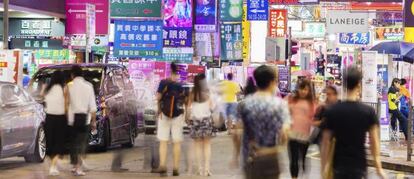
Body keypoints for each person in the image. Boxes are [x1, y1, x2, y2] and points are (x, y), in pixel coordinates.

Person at [321, 67, 386, 179]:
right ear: (359, 85)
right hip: (359, 167)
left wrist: (324, 168)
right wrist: (378, 167)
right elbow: (374, 142)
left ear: (344, 85)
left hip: (339, 167)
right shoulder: (368, 112)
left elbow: (325, 142)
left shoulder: (332, 111)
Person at [239, 65, 290, 179]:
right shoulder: (280, 105)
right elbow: (284, 134)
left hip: (251, 158)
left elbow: (238, 131)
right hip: (270, 157)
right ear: (272, 82)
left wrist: (234, 155)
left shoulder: (244, 104)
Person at [155, 62, 187, 177]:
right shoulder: (180, 86)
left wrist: (158, 108)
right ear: (178, 73)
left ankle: (163, 165)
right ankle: (176, 168)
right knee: (176, 142)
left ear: (169, 70)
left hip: (164, 114)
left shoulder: (163, 83)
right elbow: (184, 100)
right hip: (177, 115)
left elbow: (158, 97)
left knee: (163, 141)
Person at [66, 65, 97, 176]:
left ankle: (75, 166)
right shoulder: (88, 86)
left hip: (71, 119)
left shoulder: (69, 86)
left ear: (72, 74)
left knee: (73, 144)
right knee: (81, 143)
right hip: (84, 118)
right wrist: (94, 122)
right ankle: (78, 167)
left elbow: (67, 103)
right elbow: (92, 106)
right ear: (82, 74)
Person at [286, 79, 317, 179]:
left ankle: (303, 176)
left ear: (309, 91)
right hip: (292, 134)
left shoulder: (312, 103)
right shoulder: (291, 99)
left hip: (305, 136)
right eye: (301, 89)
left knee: (303, 160)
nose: (303, 91)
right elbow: (283, 110)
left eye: (306, 90)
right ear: (298, 89)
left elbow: (315, 117)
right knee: (293, 160)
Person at [187, 74, 215, 176]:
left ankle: (199, 169)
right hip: (206, 120)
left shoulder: (192, 93)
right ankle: (207, 170)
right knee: (207, 145)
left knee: (198, 146)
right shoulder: (207, 92)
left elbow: (188, 108)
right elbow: (212, 107)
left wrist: (188, 118)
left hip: (195, 121)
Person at [43, 71, 67, 176]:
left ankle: (53, 164)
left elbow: (42, 97)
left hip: (49, 118)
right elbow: (66, 105)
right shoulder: (64, 89)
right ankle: (53, 166)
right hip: (60, 118)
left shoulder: (47, 88)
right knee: (59, 142)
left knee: (50, 142)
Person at [220, 73, 242, 167]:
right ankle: (233, 130)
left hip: (225, 101)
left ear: (226, 77)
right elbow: (238, 93)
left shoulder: (223, 84)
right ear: (232, 77)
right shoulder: (235, 84)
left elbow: (220, 92)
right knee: (233, 117)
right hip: (233, 101)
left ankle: (228, 130)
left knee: (227, 116)